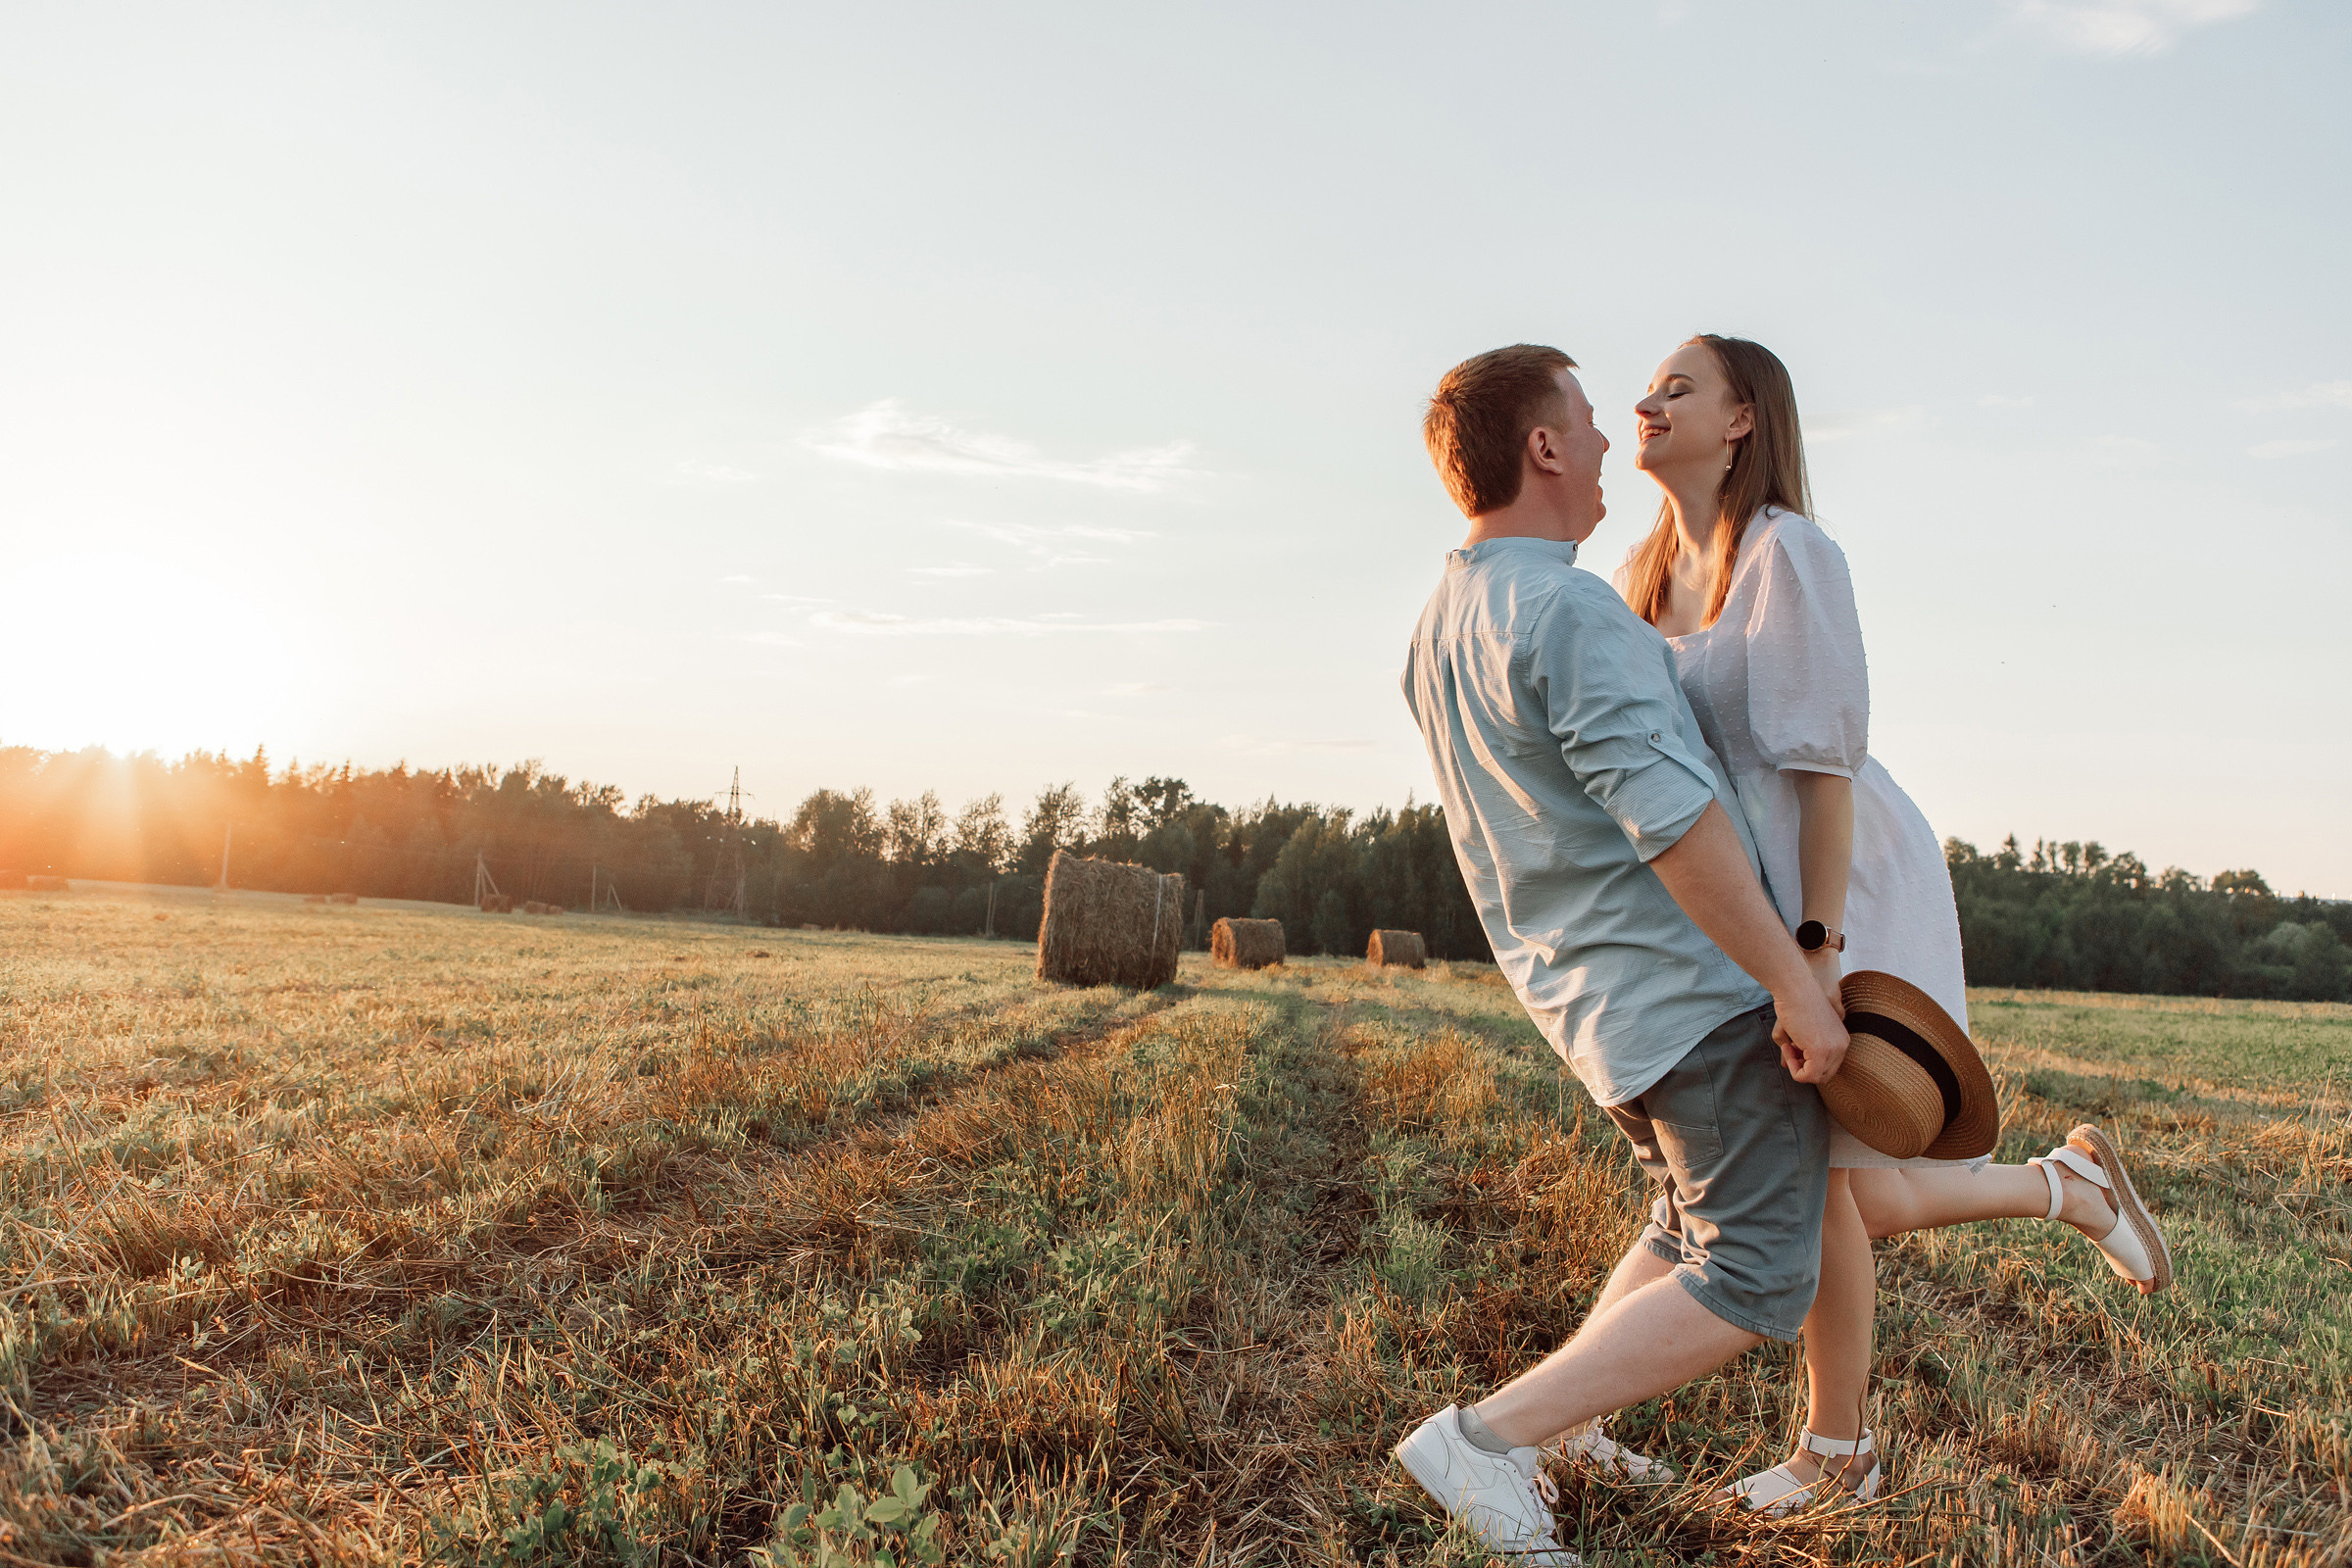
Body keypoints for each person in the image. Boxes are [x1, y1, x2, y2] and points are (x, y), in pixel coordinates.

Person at [1618, 333, 2176, 1514]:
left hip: (1840, 881)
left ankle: (1838, 1455)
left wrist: (1814, 952)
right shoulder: (1639, 571)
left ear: (1744, 421)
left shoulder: (1791, 556)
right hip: (1747, 901)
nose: (1647, 401)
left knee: (1822, 1176)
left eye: (1678, 386)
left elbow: (1823, 771)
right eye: (1648, 386)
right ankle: (2068, 1187)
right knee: (1854, 1191)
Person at [1391, 343, 1851, 1564]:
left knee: (1679, 1223)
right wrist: (1794, 976)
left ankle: (1567, 1429)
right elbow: (1678, 824)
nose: (1609, 441)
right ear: (1542, 447)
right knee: (1756, 1268)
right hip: (1686, 988)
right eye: (1589, 423)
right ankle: (1486, 1438)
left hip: (1589, 1003)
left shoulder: (1444, 623)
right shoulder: (1571, 609)